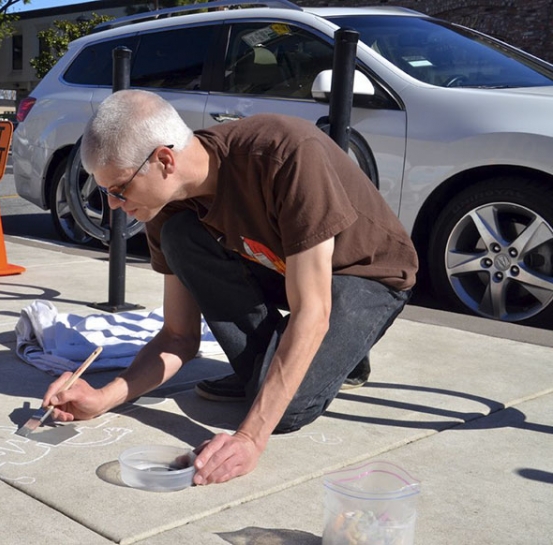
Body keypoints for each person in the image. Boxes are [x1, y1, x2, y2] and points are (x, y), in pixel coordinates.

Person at [41, 89, 418, 486]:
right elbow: (178, 337)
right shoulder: (164, 206)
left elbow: (312, 312)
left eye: (119, 189)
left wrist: (250, 439)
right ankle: (323, 354)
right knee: (180, 236)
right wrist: (103, 397)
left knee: (283, 412)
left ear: (164, 160)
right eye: (106, 193)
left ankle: (344, 345)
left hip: (366, 272)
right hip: (282, 265)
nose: (113, 205)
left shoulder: (284, 155)